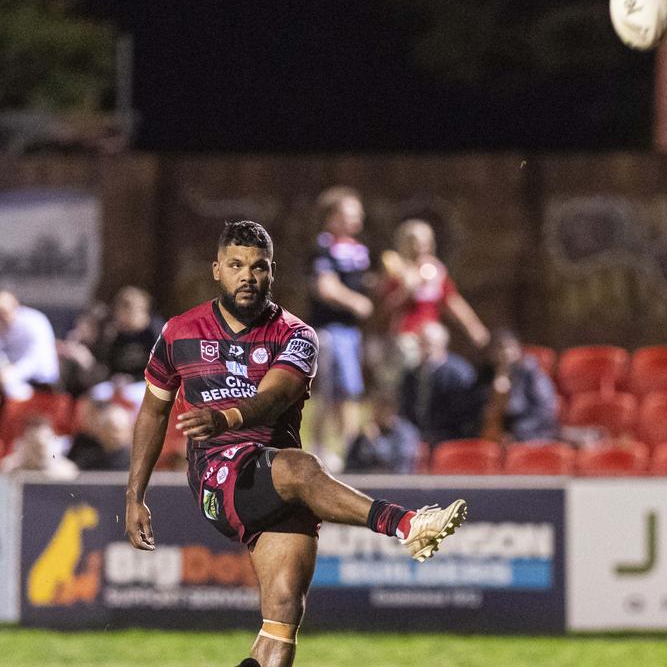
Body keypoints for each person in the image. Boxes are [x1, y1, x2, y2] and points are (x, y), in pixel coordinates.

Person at [125, 220, 467, 667]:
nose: (247, 276)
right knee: (303, 467)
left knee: (283, 616)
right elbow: (152, 411)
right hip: (220, 475)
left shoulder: (296, 334)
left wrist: (225, 414)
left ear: (272, 273)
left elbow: (275, 397)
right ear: (216, 270)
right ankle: (405, 525)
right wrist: (135, 495)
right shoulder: (178, 332)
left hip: (277, 479)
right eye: (235, 265)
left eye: (258, 267)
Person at [305, 187, 373, 469]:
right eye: (348, 215)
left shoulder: (358, 250)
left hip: (351, 332)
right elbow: (325, 286)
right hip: (330, 331)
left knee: (351, 391)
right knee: (330, 391)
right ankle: (320, 447)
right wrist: (355, 301)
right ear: (332, 217)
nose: (355, 220)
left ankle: (349, 447)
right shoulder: (324, 247)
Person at [380, 218, 490, 352]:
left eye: (424, 243)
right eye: (414, 243)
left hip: (432, 336)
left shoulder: (436, 270)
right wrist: (407, 289)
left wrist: (473, 326)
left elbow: (452, 301)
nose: (419, 248)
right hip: (407, 336)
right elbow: (385, 308)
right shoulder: (397, 271)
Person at [398, 321, 483, 445]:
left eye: (429, 344)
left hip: (451, 438)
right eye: (421, 344)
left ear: (442, 345)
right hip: (417, 439)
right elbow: (406, 410)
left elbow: (467, 414)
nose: (425, 350)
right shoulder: (411, 375)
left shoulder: (459, 373)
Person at [0, 290, 61, 400]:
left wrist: (12, 374)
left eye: (3, 310)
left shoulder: (34, 321)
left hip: (39, 380)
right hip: (2, 379)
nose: (0, 316)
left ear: (15, 305)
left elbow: (36, 359)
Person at [479, 329, 559, 443]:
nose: (504, 353)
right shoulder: (484, 375)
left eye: (508, 348)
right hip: (492, 438)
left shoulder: (531, 373)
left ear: (518, 349)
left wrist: (516, 434)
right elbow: (478, 411)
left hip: (529, 435)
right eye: (497, 348)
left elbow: (544, 411)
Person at [97, 286, 165, 381]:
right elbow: (111, 364)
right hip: (121, 383)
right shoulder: (120, 334)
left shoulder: (156, 332)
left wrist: (134, 379)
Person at [344, 396, 421, 474]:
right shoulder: (370, 430)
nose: (375, 414)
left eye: (380, 409)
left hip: (399, 481)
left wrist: (376, 440)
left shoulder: (405, 433)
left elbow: (396, 461)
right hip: (369, 481)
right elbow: (352, 460)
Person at [0, 415, 79, 479]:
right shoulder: (9, 468)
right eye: (34, 443)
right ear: (22, 444)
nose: (41, 447)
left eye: (47, 438)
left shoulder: (67, 471)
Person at [68, 401, 133, 471]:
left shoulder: (137, 462)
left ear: (128, 432)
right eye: (110, 429)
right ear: (101, 431)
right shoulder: (89, 460)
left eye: (119, 430)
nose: (115, 435)